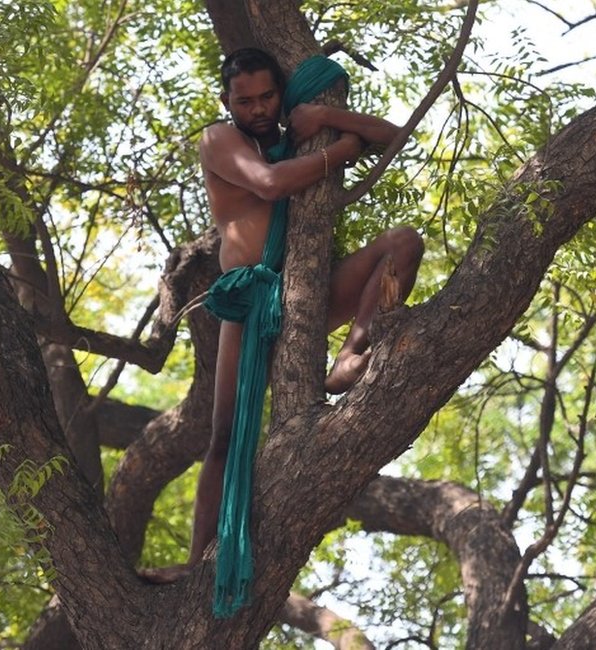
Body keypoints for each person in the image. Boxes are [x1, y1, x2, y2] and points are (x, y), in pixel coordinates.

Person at [141, 48, 423, 584]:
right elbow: (268, 184)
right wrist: (340, 148)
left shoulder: (296, 136)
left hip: (306, 292)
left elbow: (395, 135)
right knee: (224, 435)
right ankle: (197, 562)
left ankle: (352, 353)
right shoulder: (219, 139)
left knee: (404, 243)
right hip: (248, 302)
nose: (257, 108)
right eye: (243, 100)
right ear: (226, 101)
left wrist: (328, 119)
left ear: (280, 93)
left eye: (268, 96)